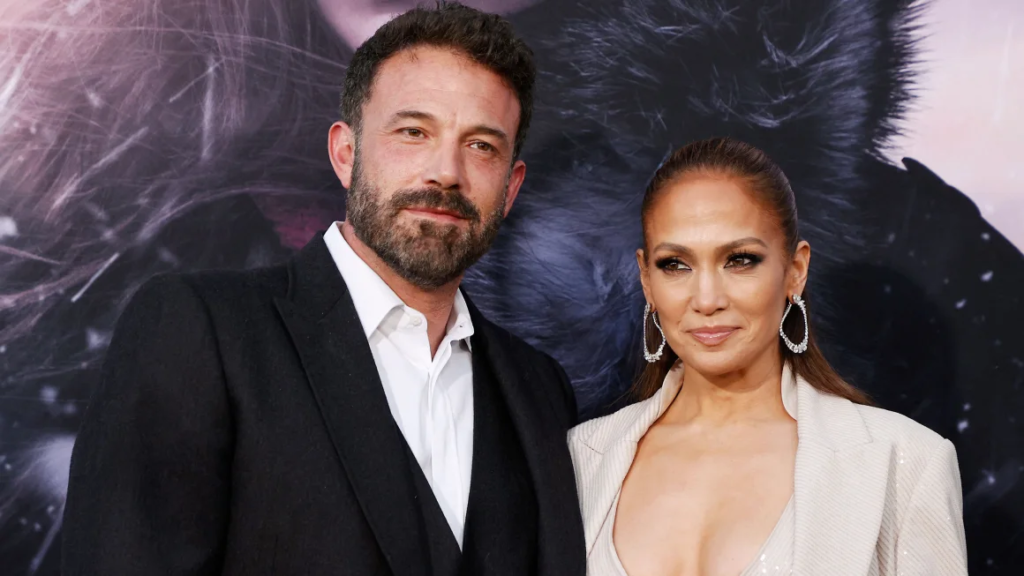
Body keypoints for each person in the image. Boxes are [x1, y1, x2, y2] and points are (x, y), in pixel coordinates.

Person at [60, 3, 585, 575]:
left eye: (481, 145)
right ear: (346, 153)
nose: (446, 171)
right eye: (413, 131)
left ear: (510, 188)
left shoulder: (540, 390)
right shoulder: (198, 332)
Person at [569, 138, 968, 575]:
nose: (706, 299)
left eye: (739, 260)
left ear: (795, 270)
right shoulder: (581, 460)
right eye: (676, 264)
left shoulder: (903, 463)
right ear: (646, 279)